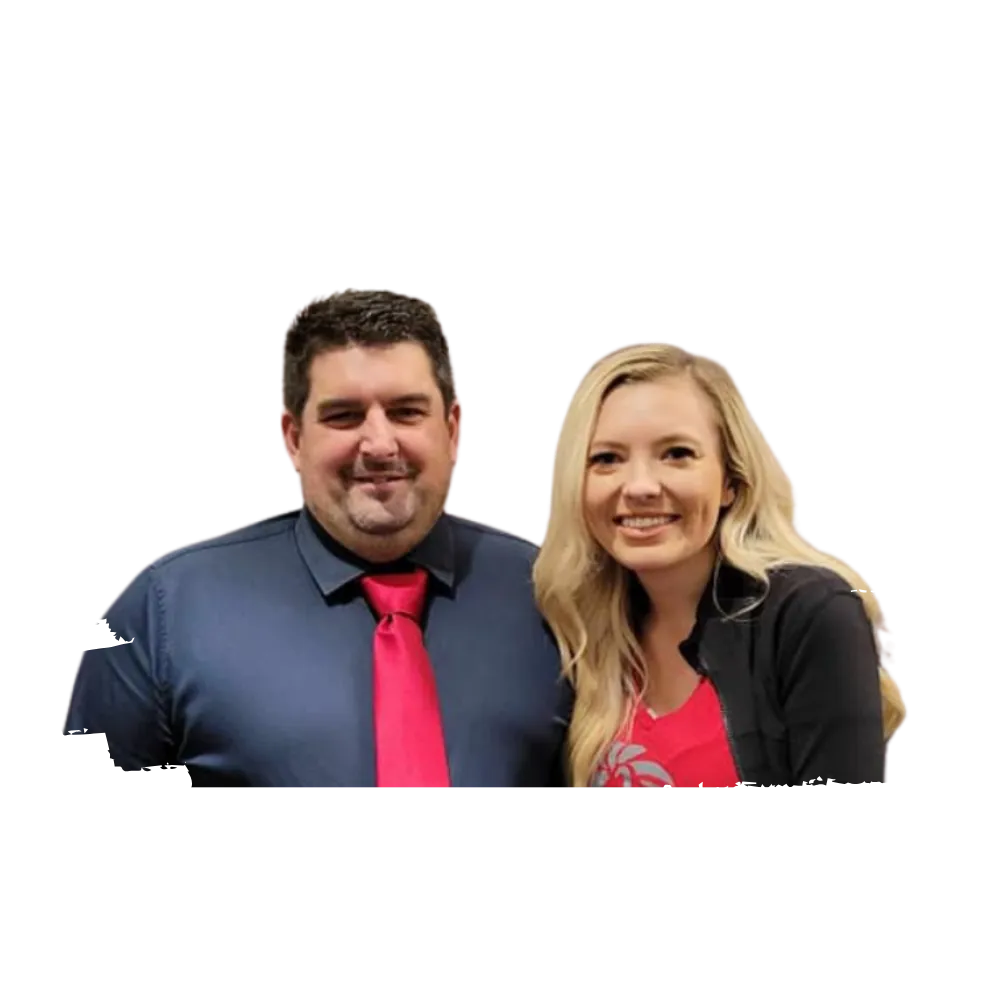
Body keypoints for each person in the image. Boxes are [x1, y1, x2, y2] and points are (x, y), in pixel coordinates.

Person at [62, 287, 571, 790]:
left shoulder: (550, 592)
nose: (379, 444)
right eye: (343, 415)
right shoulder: (167, 611)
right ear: (293, 438)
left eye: (406, 412)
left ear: (454, 428)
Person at [532, 341, 906, 791]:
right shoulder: (578, 633)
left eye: (677, 453)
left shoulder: (808, 614)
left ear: (731, 479)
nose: (640, 486)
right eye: (606, 459)